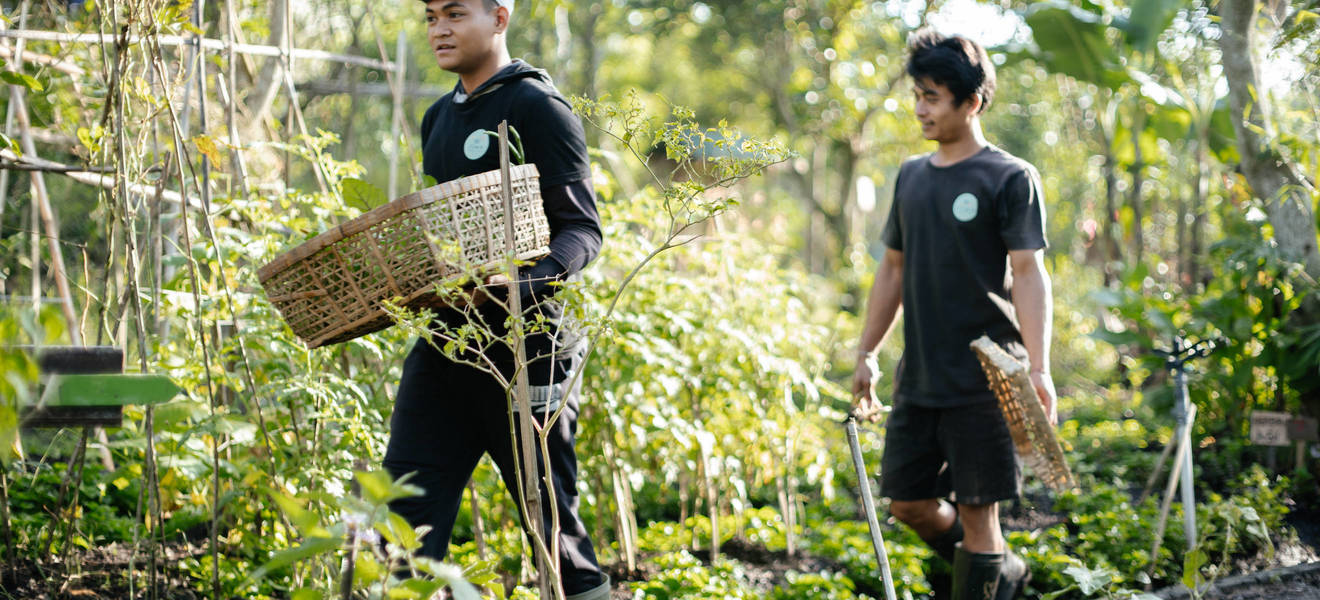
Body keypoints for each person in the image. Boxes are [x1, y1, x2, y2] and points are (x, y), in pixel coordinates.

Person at [382, 1, 609, 598]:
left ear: (500, 18)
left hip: (526, 350)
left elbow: (583, 231)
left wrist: (523, 285)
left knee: (553, 529)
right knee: (404, 520)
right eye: (431, 17)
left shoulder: (537, 107)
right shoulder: (436, 118)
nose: (439, 29)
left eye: (455, 14)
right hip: (447, 344)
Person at [851, 29, 1055, 600]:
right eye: (918, 94)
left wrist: (1038, 368)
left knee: (978, 515)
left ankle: (984, 575)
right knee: (908, 503)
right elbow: (891, 269)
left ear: (973, 101)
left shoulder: (1009, 177)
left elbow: (1030, 274)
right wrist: (866, 351)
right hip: (919, 377)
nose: (920, 108)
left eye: (934, 97)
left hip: (987, 378)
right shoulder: (912, 177)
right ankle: (999, 575)